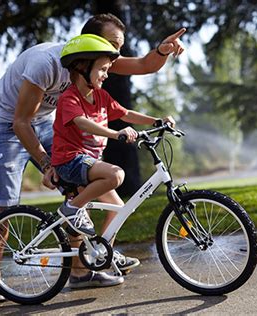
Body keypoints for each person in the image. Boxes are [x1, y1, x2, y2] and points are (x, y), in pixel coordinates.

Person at [0, 13, 185, 304]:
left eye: (119, 48)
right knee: (4, 204)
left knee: (80, 187)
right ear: (89, 43)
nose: (116, 56)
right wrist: (46, 163)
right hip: (8, 121)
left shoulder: (97, 62)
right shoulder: (48, 63)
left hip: (48, 120)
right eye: (112, 45)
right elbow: (20, 122)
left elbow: (143, 64)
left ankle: (81, 269)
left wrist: (162, 50)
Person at [53, 34, 175, 289]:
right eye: (102, 69)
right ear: (82, 67)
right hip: (70, 162)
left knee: (119, 208)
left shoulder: (101, 96)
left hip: (87, 162)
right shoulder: (70, 98)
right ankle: (72, 210)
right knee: (116, 175)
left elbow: (125, 113)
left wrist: (156, 121)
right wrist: (114, 133)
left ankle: (101, 252)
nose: (106, 75)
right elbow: (81, 122)